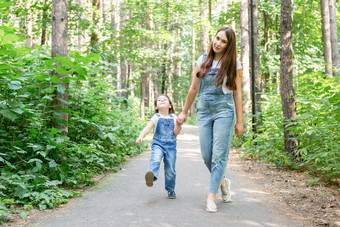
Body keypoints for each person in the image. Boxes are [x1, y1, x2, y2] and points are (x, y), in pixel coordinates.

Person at [177, 26, 243, 212]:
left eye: (223, 41)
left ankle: (211, 197)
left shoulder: (235, 64)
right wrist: (183, 112)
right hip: (204, 110)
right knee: (207, 154)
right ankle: (222, 182)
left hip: (225, 111)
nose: (218, 43)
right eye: (217, 38)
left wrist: (240, 121)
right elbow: (193, 89)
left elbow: (237, 94)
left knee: (219, 155)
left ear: (229, 46)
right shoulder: (202, 60)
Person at [136, 94, 182, 199]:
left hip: (171, 145)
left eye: (165, 99)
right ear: (156, 107)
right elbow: (148, 128)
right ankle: (151, 176)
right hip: (158, 144)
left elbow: (176, 132)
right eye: (159, 100)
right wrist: (140, 136)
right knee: (155, 160)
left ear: (170, 105)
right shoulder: (156, 117)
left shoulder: (174, 117)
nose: (162, 100)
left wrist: (179, 124)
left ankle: (170, 189)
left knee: (170, 168)